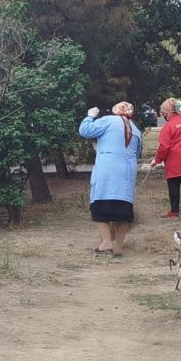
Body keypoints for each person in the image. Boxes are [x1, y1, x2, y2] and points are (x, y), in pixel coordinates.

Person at [78, 102, 142, 258]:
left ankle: (106, 242)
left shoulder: (108, 121)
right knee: (124, 208)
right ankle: (118, 247)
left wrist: (90, 116)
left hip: (108, 168)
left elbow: (85, 131)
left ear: (116, 111)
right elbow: (137, 152)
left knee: (100, 204)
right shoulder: (136, 130)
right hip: (127, 170)